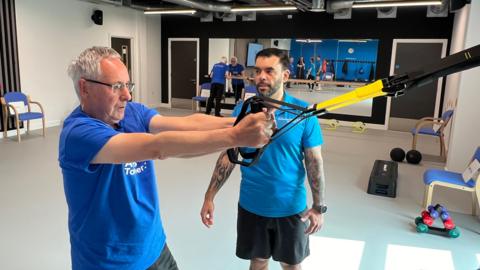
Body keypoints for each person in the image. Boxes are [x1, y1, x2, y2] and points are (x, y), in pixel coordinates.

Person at [59, 46, 275, 270]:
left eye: (127, 84)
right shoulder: (78, 134)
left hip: (153, 247)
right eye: (116, 86)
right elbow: (157, 148)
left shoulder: (131, 112)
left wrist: (240, 122)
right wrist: (237, 136)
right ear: (85, 88)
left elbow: (189, 123)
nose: (127, 95)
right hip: (109, 262)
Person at [200, 48, 327, 270]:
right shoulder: (243, 110)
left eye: (270, 70)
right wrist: (210, 195)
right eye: (258, 71)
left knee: (291, 265)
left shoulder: (303, 114)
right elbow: (229, 155)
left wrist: (318, 206)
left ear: (285, 75)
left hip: (291, 208)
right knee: (257, 263)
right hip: (252, 205)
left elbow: (314, 163)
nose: (262, 76)